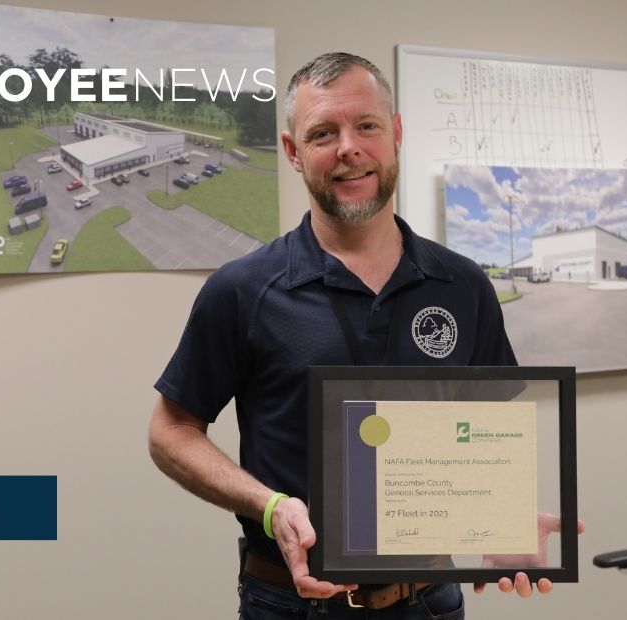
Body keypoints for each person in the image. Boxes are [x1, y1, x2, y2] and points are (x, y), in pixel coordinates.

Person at [149, 52, 574, 619]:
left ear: (395, 134)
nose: (348, 148)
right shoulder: (243, 290)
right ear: (293, 152)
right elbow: (171, 431)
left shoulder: (464, 284)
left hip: (431, 601)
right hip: (292, 603)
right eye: (323, 133)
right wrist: (269, 506)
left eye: (366, 125)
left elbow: (486, 429)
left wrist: (500, 516)